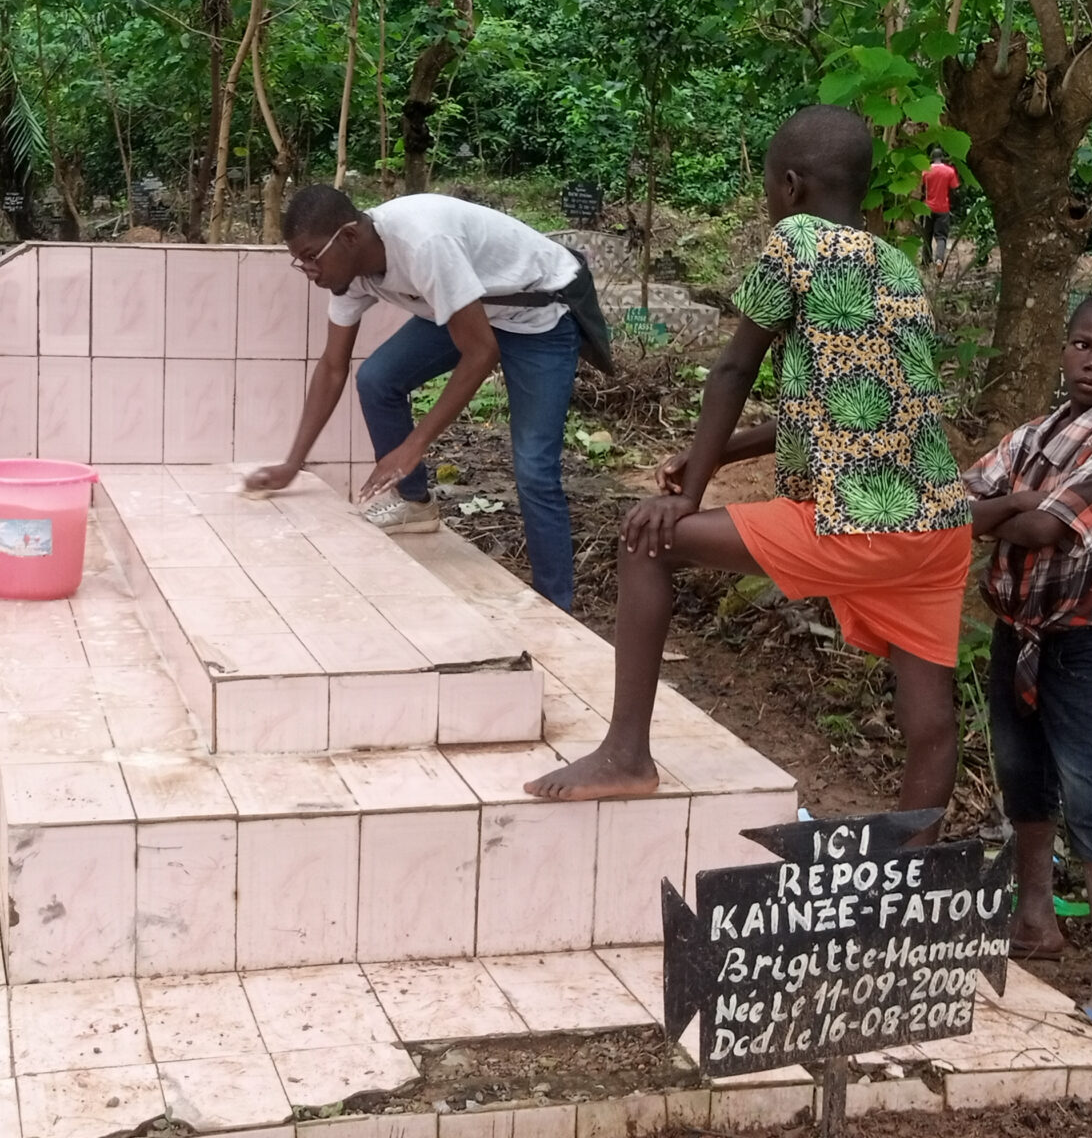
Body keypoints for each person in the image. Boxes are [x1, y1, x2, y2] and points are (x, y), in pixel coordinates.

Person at [522, 106, 971, 807]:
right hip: (940, 528)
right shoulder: (896, 266)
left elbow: (734, 369)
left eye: (768, 186)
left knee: (647, 543)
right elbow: (854, 407)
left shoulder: (796, 240)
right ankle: (914, 861)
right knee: (931, 722)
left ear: (790, 185)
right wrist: (718, 454)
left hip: (859, 524)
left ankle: (625, 755)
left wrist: (687, 496)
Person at [963, 289, 1092, 1041]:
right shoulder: (1036, 433)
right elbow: (955, 502)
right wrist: (1021, 501)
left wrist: (1015, 507)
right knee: (1021, 772)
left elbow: (1044, 529)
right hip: (1016, 629)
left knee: (1087, 787)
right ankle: (1035, 916)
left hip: (1079, 640)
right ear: (1064, 345)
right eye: (1083, 344)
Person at [246, 185, 587, 609]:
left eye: (313, 256)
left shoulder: (424, 243)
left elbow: (480, 353)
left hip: (539, 314)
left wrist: (413, 445)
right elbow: (333, 366)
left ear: (349, 236)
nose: (309, 270)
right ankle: (415, 504)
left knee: (534, 467)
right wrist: (292, 464)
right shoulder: (351, 274)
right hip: (469, 306)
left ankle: (555, 605)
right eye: (301, 261)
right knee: (377, 378)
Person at [920, 146, 961, 269]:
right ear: (942, 158)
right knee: (941, 237)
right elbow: (954, 190)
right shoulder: (950, 171)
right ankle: (939, 260)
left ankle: (925, 263)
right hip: (943, 208)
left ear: (932, 159)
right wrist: (952, 205)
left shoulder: (925, 171)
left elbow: (922, 190)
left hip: (927, 208)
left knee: (927, 236)